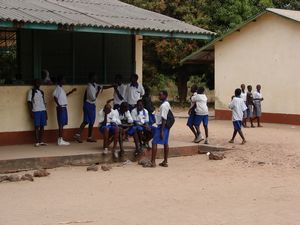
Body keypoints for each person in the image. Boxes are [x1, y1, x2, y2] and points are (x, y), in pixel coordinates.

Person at [74, 72, 112, 143]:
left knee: (91, 122)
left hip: (91, 105)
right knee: (86, 121)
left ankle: (89, 137)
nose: (96, 78)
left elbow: (102, 87)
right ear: (91, 78)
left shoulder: (94, 85)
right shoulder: (89, 87)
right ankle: (77, 135)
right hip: (89, 104)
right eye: (95, 77)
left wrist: (112, 86)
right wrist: (98, 91)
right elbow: (93, 98)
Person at [150, 90, 172, 167]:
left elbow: (164, 118)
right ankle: (165, 161)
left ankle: (153, 162)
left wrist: (161, 131)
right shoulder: (165, 104)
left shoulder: (164, 105)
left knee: (154, 142)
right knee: (165, 143)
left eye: (161, 95)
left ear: (165, 96)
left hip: (162, 126)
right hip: (165, 126)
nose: (159, 96)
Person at [53, 76, 76, 146]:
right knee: (61, 124)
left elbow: (63, 96)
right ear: (60, 81)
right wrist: (59, 106)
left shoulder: (60, 88)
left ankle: (61, 139)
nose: (64, 80)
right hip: (61, 107)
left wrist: (71, 92)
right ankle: (60, 140)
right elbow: (55, 97)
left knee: (62, 124)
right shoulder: (57, 88)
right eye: (63, 79)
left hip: (63, 107)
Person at [27, 79, 48, 147]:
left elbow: (43, 102)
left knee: (42, 126)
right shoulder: (31, 91)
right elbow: (29, 102)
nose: (38, 84)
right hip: (36, 111)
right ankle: (37, 142)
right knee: (37, 126)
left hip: (43, 110)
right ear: (34, 83)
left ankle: (41, 141)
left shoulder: (41, 92)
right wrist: (31, 112)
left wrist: (46, 112)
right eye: (37, 82)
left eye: (39, 82)